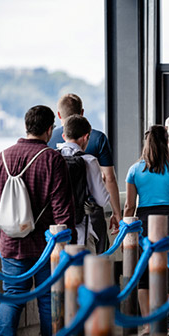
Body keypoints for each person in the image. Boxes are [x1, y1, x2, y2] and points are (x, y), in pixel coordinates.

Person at [0, 105, 75, 336]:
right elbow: (63, 210)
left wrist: (0, 236)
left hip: (10, 244)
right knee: (49, 300)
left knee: (12, 297)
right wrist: (67, 241)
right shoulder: (52, 159)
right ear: (50, 129)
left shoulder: (1, 157)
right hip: (46, 247)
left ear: (26, 125)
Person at [123, 125, 169, 336]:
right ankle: (161, 326)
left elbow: (129, 207)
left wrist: (125, 234)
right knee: (166, 275)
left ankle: (148, 327)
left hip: (142, 223)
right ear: (166, 143)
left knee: (143, 276)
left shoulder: (134, 170)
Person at [48, 93, 123, 252]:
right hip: (89, 214)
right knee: (97, 259)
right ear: (82, 112)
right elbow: (109, 178)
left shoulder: (50, 139)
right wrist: (117, 213)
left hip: (57, 217)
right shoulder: (98, 138)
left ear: (59, 114)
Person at [58, 115, 110, 251]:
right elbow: (103, 200)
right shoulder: (89, 161)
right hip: (81, 234)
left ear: (64, 136)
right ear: (86, 137)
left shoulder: (52, 158)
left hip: (56, 235)